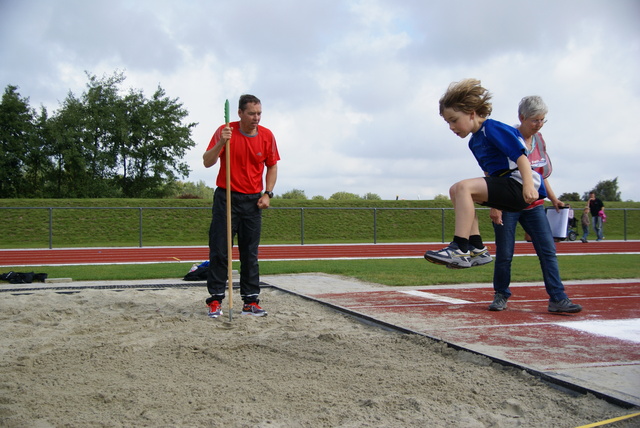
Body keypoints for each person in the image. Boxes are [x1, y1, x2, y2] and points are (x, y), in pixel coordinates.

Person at [424, 79, 545, 270]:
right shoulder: (474, 142)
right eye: (448, 122)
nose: (451, 127)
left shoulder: (491, 128)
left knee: (463, 187)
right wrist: (493, 204)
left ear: (472, 114)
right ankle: (477, 248)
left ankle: (459, 248)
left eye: (454, 120)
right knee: (456, 191)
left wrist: (529, 186)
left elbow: (521, 157)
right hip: (504, 186)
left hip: (519, 185)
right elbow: (488, 173)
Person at [488, 96, 582, 313]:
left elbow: (540, 174)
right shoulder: (506, 136)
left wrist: (553, 198)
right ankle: (501, 295)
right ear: (521, 117)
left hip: (534, 205)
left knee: (548, 251)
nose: (539, 124)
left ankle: (558, 298)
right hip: (508, 204)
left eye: (542, 120)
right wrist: (495, 204)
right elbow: (492, 172)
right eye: (535, 120)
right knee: (505, 254)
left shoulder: (539, 140)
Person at [203, 94, 280, 318]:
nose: (256, 118)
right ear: (240, 113)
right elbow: (207, 161)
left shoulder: (266, 136)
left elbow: (272, 166)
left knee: (250, 253)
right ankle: (216, 299)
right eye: (251, 113)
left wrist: (268, 194)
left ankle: (250, 301)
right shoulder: (224, 130)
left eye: (259, 113)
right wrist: (221, 142)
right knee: (220, 250)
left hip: (252, 201)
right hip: (226, 197)